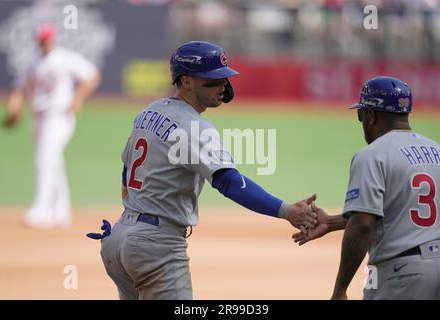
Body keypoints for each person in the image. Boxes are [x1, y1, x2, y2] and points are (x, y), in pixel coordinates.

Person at [89, 41, 318, 300]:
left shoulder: (147, 113)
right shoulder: (195, 127)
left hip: (118, 240)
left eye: (224, 79)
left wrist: (130, 221)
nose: (222, 86)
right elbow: (229, 182)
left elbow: (126, 173)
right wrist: (287, 210)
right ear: (186, 82)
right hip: (155, 246)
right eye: (212, 81)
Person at [293, 76, 440, 300]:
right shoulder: (437, 151)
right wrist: (331, 222)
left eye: (360, 114)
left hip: (403, 275)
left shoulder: (373, 155)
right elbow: (398, 211)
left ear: (371, 115)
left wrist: (340, 288)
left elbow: (363, 223)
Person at [4, 24, 101, 228]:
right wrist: (15, 108)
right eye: (42, 39)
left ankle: (41, 210)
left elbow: (92, 75)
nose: (45, 42)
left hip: (59, 117)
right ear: (38, 41)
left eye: (47, 38)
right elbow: (21, 89)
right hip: (38, 117)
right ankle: (61, 212)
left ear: (53, 39)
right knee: (53, 162)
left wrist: (78, 98)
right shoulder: (34, 64)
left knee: (44, 160)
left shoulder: (64, 58)